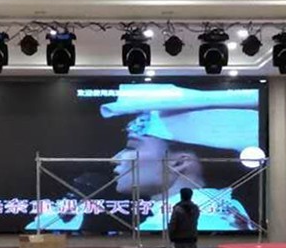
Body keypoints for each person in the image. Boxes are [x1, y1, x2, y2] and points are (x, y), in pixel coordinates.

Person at [101, 85, 259, 232]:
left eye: (131, 147)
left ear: (179, 162)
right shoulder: (223, 212)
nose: (115, 159)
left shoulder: (174, 225)